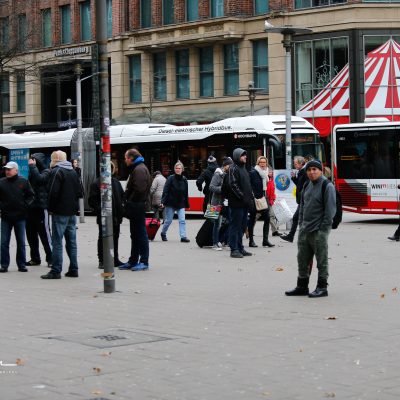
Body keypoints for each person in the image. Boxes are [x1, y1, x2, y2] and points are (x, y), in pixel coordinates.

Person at [285, 160, 336, 298]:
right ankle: (302, 286)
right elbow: (302, 206)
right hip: (304, 230)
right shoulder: (307, 184)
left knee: (321, 261)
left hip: (318, 231)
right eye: (309, 170)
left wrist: (323, 230)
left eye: (315, 169)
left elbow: (330, 211)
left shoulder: (327, 186)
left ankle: (322, 287)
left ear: (320, 170)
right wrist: (301, 224)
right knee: (302, 259)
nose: (312, 172)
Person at [41, 151, 83, 279]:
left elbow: (53, 192)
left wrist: (50, 208)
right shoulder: (73, 172)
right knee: (72, 242)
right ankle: (74, 269)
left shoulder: (57, 171)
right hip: (72, 212)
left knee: (57, 241)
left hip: (59, 212)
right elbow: (81, 192)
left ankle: (56, 270)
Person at [119, 148, 152, 271]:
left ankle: (144, 261)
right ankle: (133, 260)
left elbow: (139, 190)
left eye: (125, 157)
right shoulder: (138, 168)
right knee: (135, 234)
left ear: (131, 158)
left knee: (141, 234)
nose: (125, 160)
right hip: (136, 205)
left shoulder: (139, 169)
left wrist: (130, 201)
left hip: (137, 205)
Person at [88, 161, 125, 269]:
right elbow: (92, 201)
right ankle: (102, 260)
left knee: (116, 237)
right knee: (103, 238)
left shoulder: (116, 182)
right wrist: (100, 210)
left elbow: (122, 196)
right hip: (104, 216)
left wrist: (122, 208)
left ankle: (115, 259)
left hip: (116, 216)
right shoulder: (96, 183)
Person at [0, 161, 35, 273]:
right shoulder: (1, 182)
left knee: (21, 242)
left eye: (9, 169)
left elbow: (31, 196)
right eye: (6, 169)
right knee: (4, 242)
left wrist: (25, 206)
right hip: (6, 217)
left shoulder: (23, 181)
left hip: (20, 217)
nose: (7, 171)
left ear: (16, 170)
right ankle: (4, 265)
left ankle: (21, 265)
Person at [224, 148, 253, 258]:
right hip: (236, 204)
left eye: (245, 155)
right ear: (237, 156)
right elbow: (232, 184)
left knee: (242, 226)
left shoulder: (243, 169)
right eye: (242, 155)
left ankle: (240, 248)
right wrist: (242, 196)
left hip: (244, 203)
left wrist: (249, 198)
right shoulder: (233, 168)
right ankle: (234, 249)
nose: (245, 157)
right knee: (235, 226)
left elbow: (247, 185)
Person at [26, 153, 53, 267]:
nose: (31, 162)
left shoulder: (46, 172)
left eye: (34, 160)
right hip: (31, 208)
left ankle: (51, 258)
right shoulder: (33, 172)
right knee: (31, 234)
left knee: (45, 234)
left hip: (41, 208)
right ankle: (35, 258)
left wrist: (33, 166)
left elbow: (39, 180)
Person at [160, 161, 190, 243]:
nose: (178, 169)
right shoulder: (170, 178)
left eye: (179, 168)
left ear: (182, 169)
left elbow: (186, 192)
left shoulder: (184, 179)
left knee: (182, 220)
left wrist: (187, 203)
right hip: (171, 203)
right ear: (174, 169)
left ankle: (183, 236)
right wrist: (163, 201)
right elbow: (165, 190)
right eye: (176, 168)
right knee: (168, 220)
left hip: (180, 203)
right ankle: (163, 233)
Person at [248, 156, 274, 248]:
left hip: (263, 198)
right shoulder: (253, 172)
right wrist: (252, 196)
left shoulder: (265, 173)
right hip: (255, 199)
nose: (263, 164)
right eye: (261, 162)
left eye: (264, 162)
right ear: (258, 163)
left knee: (267, 218)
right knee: (252, 219)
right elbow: (249, 185)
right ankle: (251, 241)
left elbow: (266, 186)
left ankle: (265, 241)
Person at [281, 155, 308, 243]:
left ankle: (293, 236)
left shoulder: (305, 171)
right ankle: (291, 236)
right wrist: (294, 178)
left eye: (296, 164)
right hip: (302, 199)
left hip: (305, 199)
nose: (295, 165)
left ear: (301, 163)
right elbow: (299, 185)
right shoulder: (301, 171)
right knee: (298, 218)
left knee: (298, 218)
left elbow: (304, 186)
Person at [209, 156, 233, 250]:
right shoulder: (217, 174)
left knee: (230, 221)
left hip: (225, 203)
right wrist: (222, 189)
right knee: (216, 224)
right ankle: (215, 243)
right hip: (216, 202)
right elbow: (211, 187)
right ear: (226, 166)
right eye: (230, 165)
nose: (231, 167)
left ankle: (221, 240)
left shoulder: (228, 174)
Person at [266, 168, 281, 237]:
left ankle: (274, 231)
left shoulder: (271, 180)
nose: (270, 173)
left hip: (270, 200)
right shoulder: (266, 180)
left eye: (271, 172)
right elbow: (268, 191)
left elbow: (272, 190)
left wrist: (273, 198)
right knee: (256, 215)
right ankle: (248, 228)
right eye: (269, 172)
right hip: (266, 199)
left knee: (271, 215)